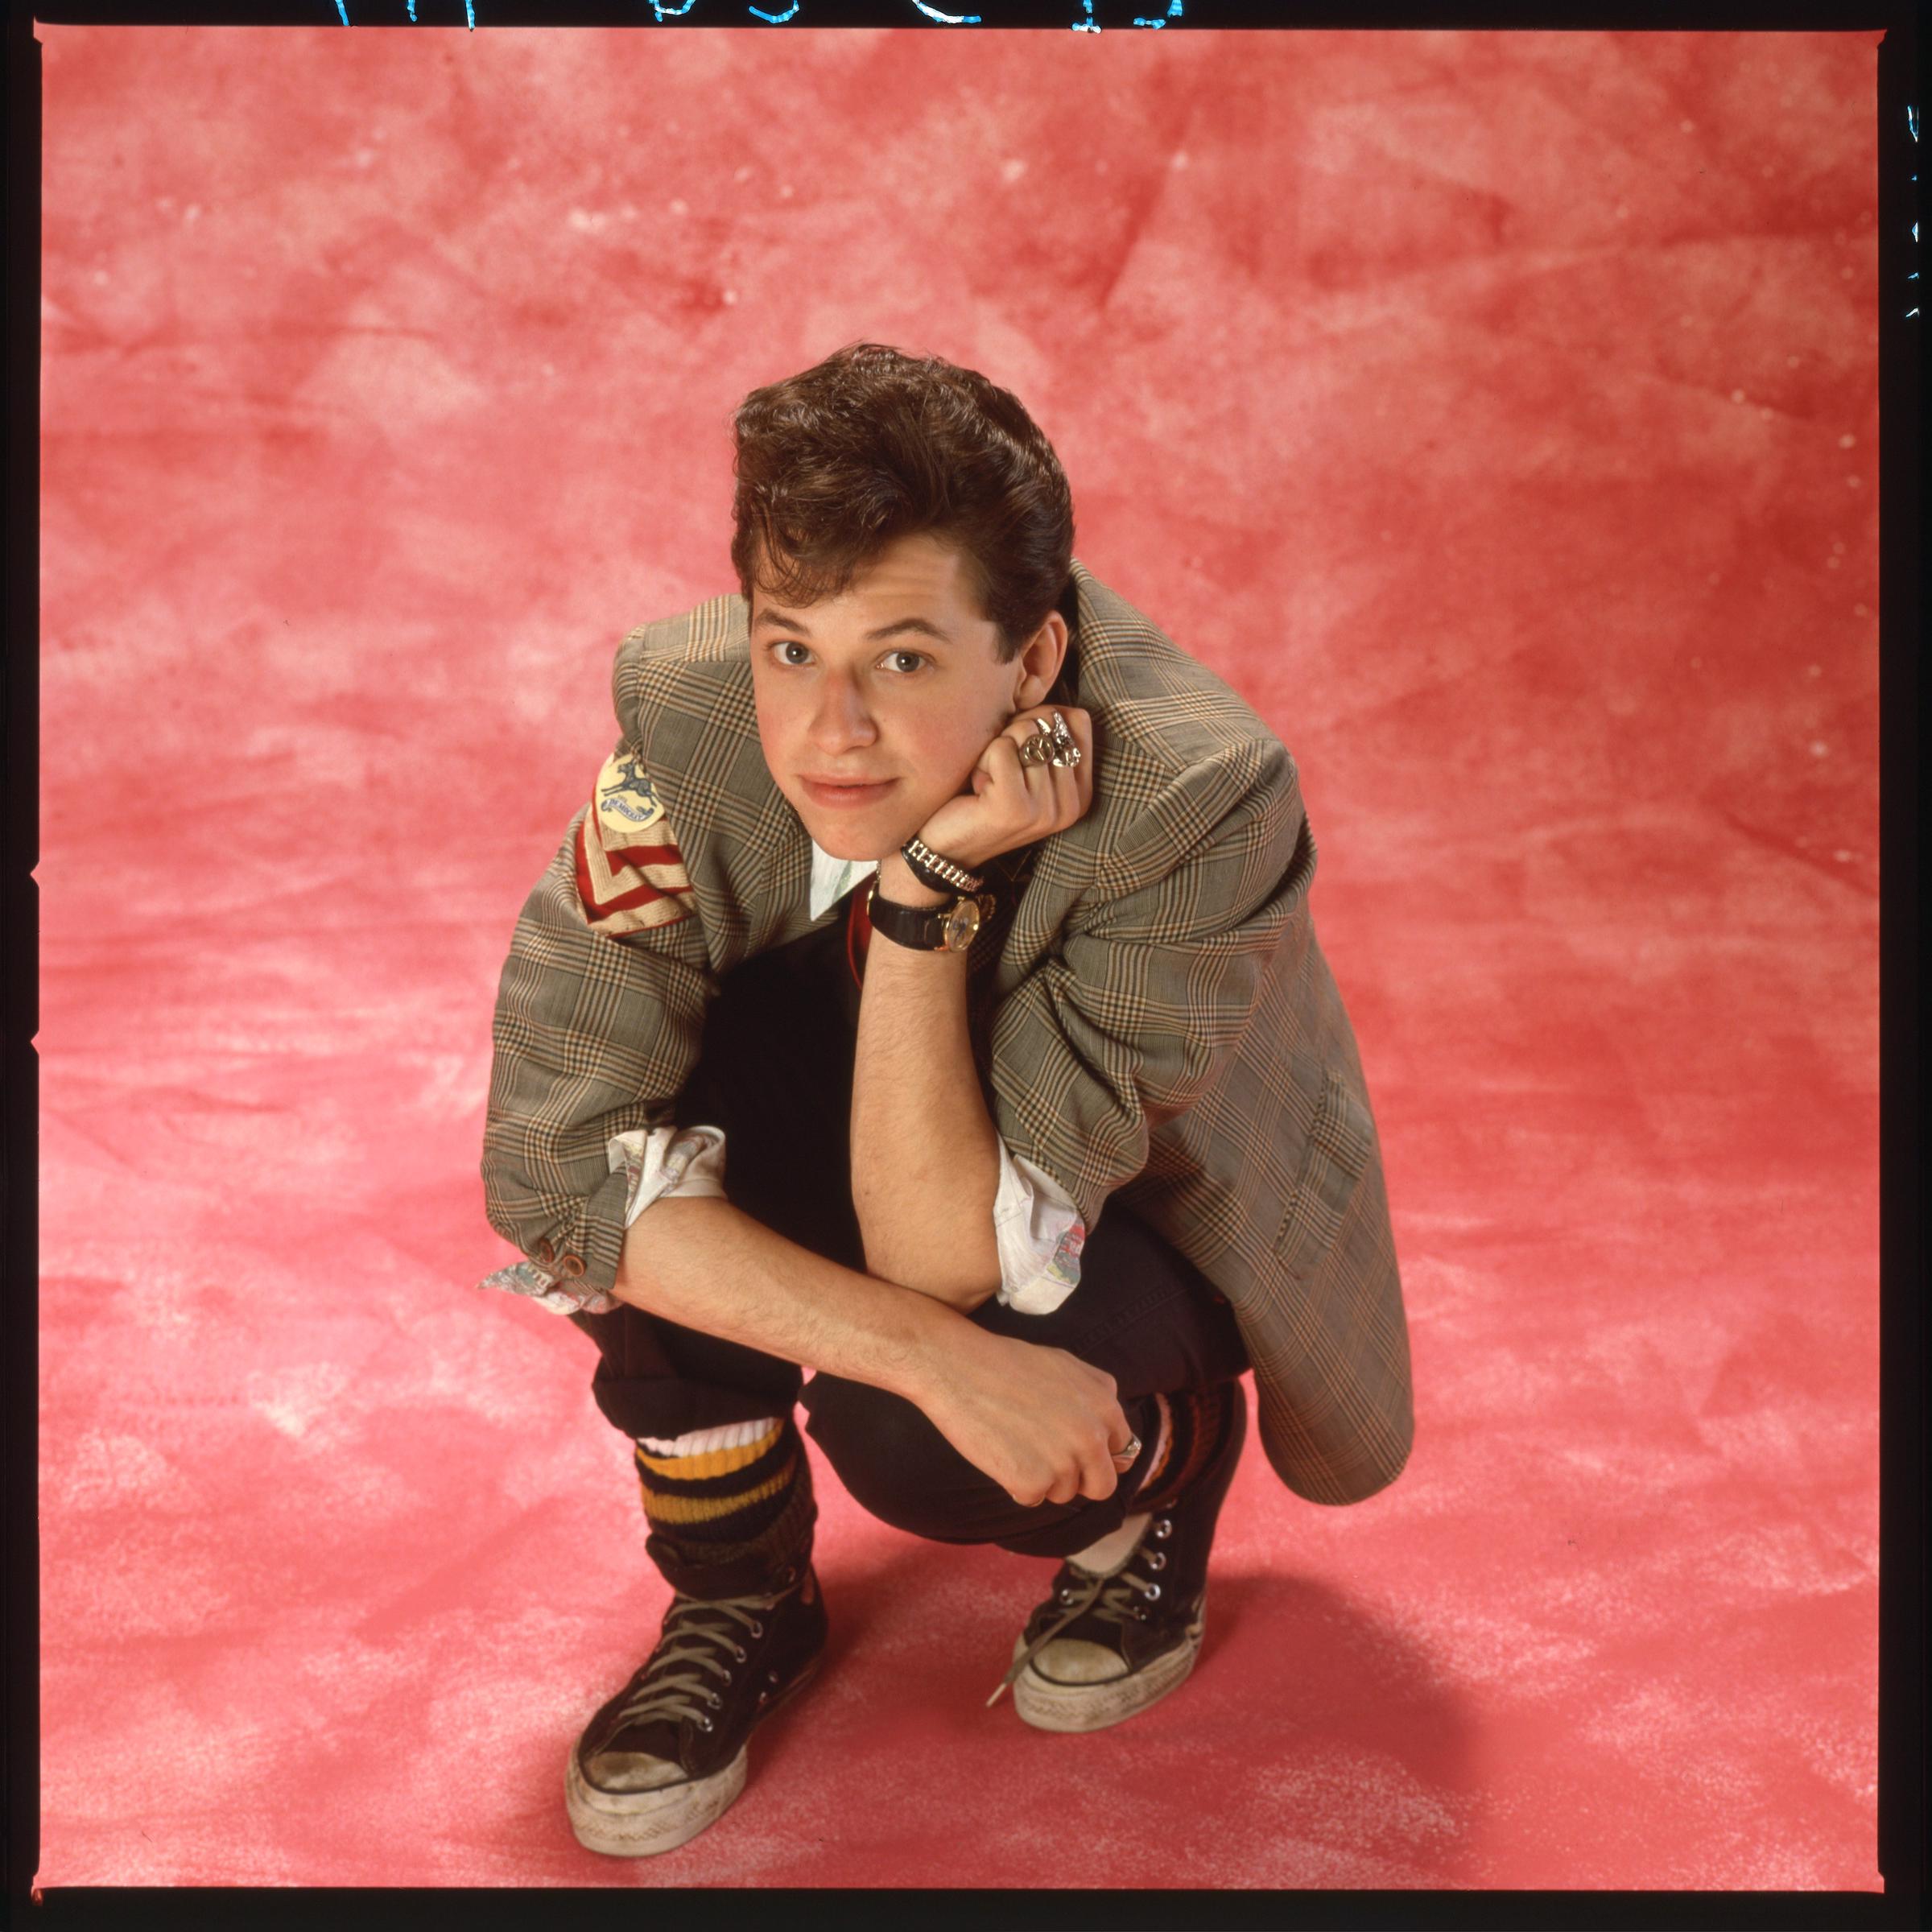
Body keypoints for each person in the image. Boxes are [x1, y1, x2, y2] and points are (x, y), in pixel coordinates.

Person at [479, 342, 1413, 1857]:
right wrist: (924, 1351)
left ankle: (1156, 1471)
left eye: (902, 661)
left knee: (912, 1438)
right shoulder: (692, 725)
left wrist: (918, 911)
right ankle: (740, 1593)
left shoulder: (1195, 794)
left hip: (1128, 1215)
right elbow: (557, 1167)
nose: (830, 730)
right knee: (654, 1137)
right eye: (793, 649)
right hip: (892, 1166)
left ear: (1033, 662)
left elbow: (948, 1258)